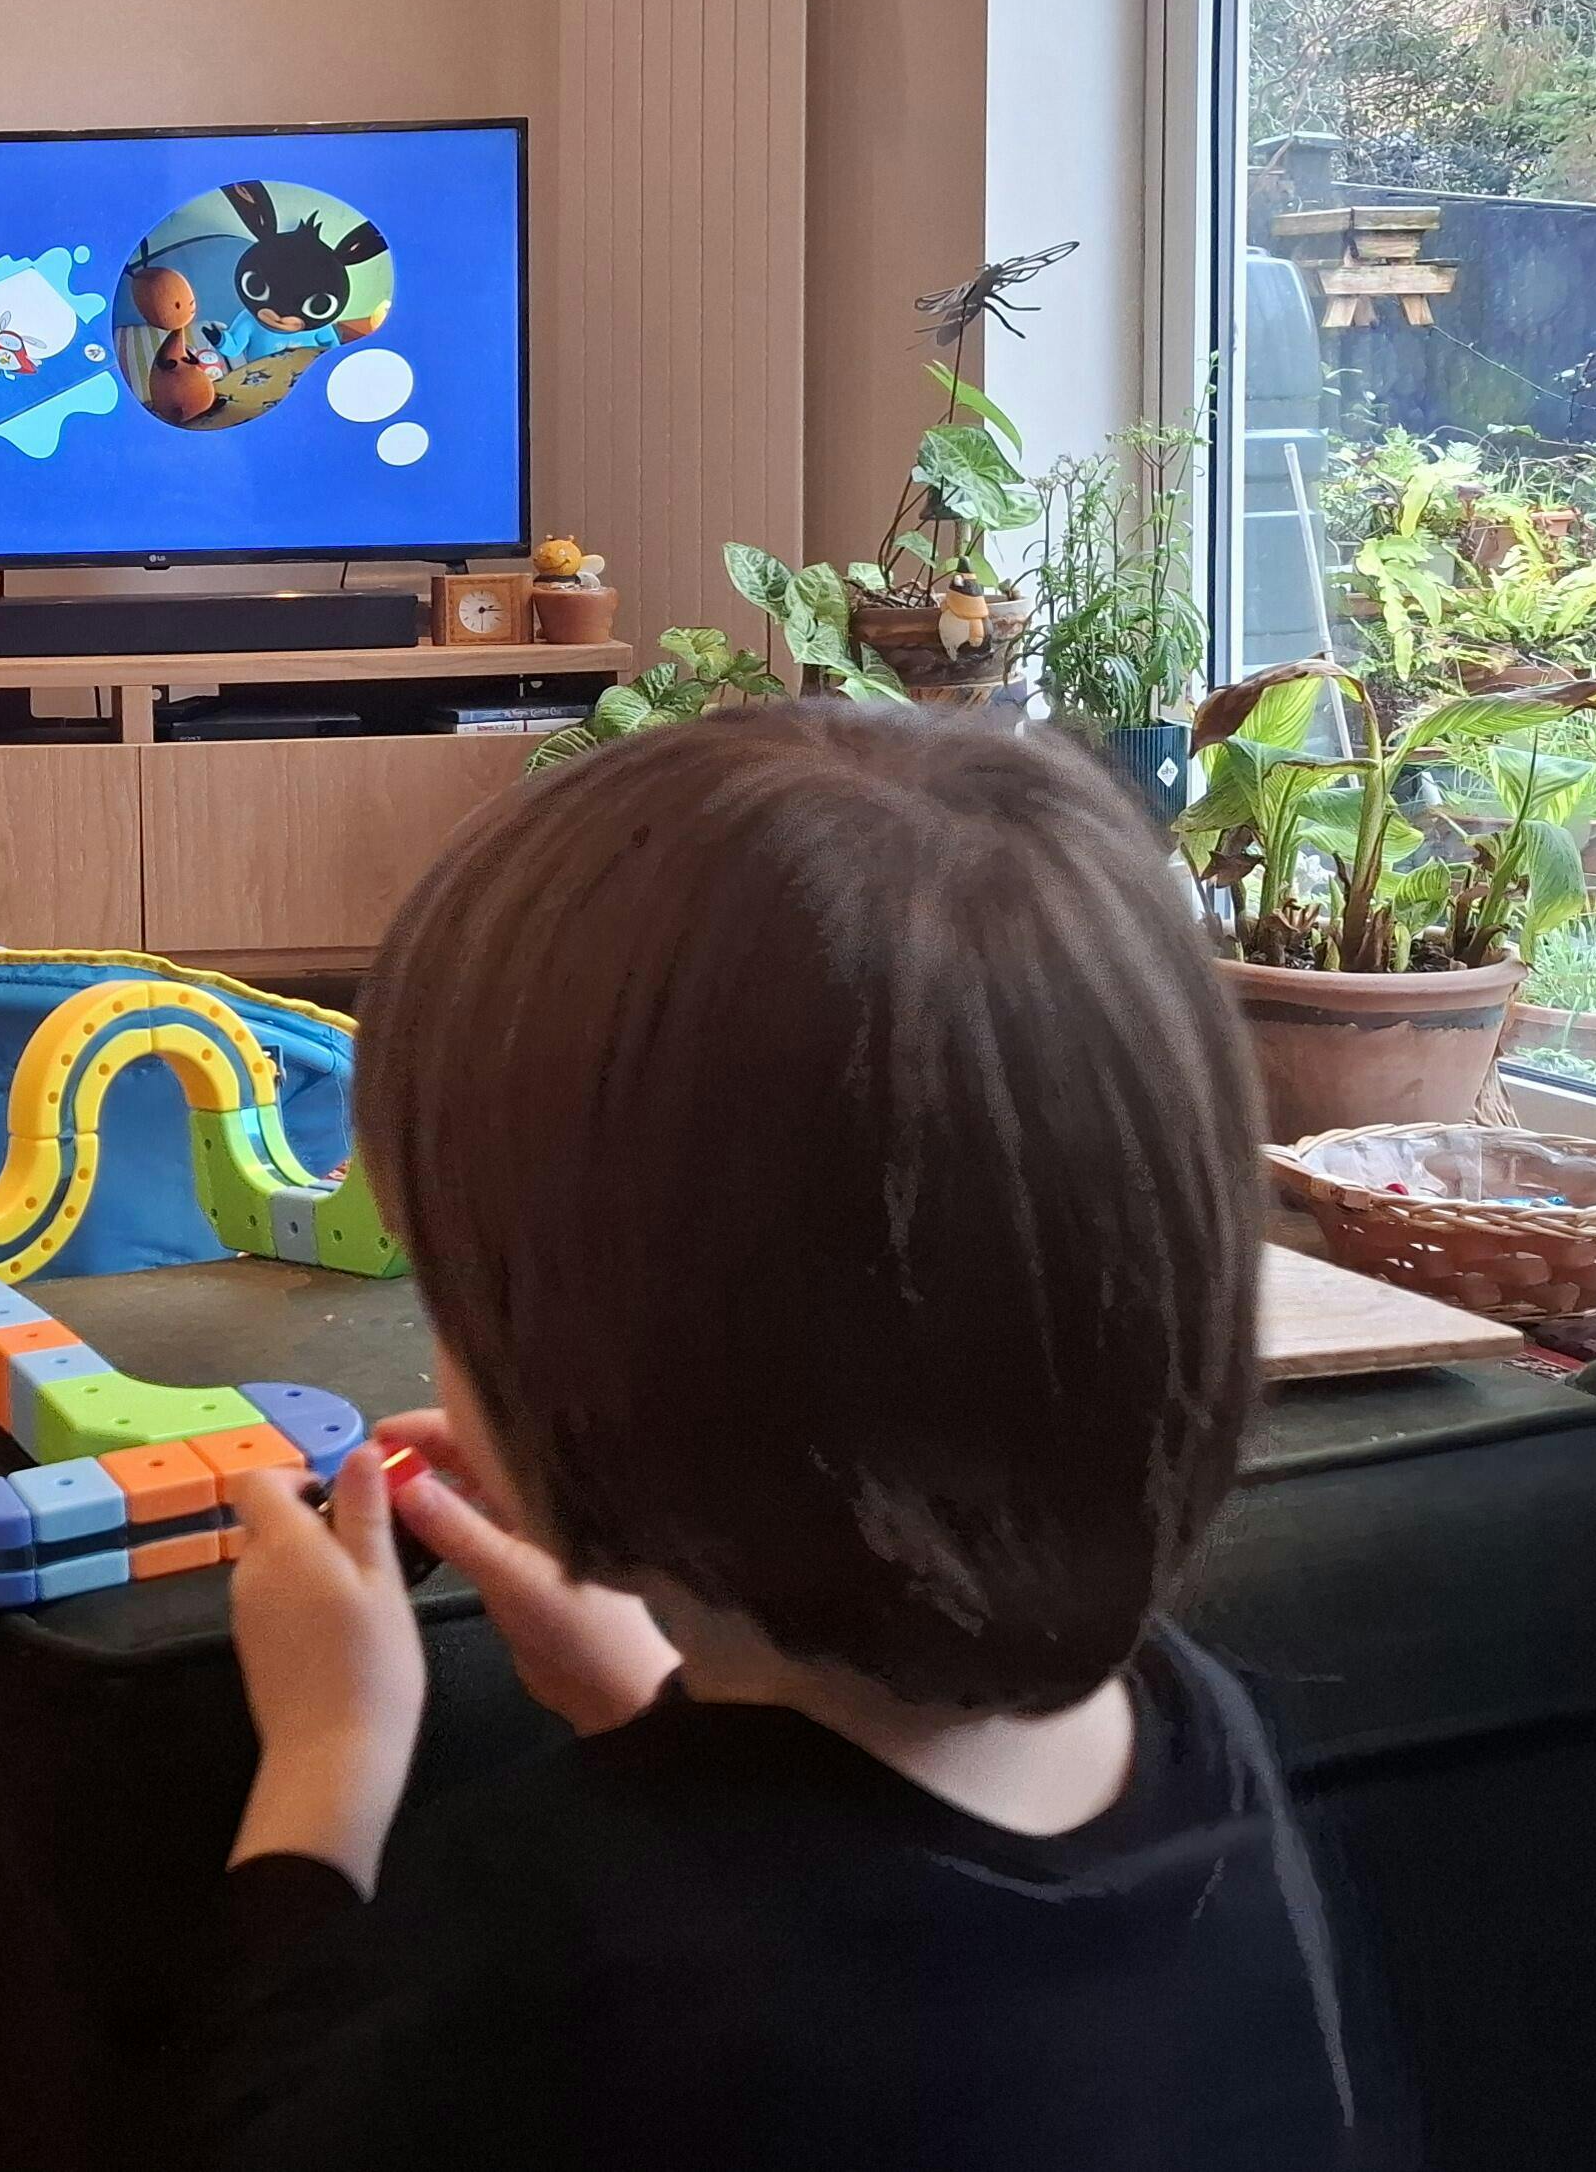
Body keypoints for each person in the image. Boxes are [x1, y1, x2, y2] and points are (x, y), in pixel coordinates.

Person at [195, 703, 1390, 2169]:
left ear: (585, 1375)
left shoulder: (543, 1941)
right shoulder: (1204, 1731)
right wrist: (655, 1710)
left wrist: (326, 1765)